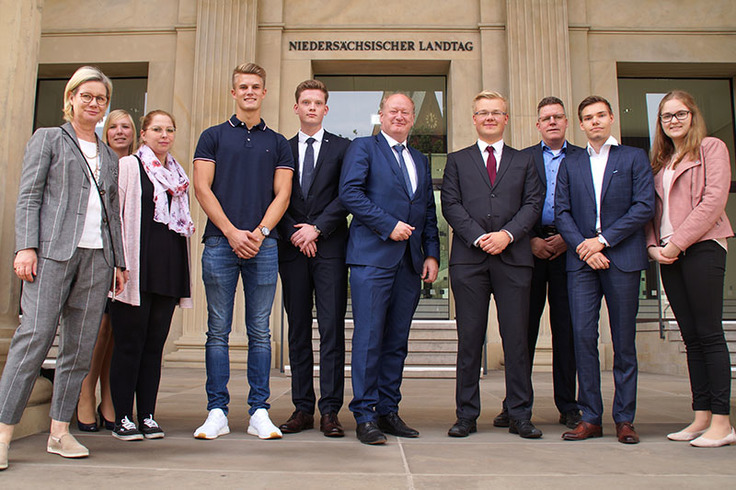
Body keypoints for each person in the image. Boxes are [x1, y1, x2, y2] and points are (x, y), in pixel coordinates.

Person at [0, 66, 126, 470]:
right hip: (52, 253)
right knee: (34, 336)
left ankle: (59, 432)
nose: (94, 104)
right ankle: (2, 433)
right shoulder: (49, 139)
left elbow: (113, 213)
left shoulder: (108, 154)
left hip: (97, 258)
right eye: (86, 96)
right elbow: (29, 197)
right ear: (70, 98)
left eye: (101, 99)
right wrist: (26, 247)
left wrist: (119, 261)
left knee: (79, 346)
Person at [192, 63, 293, 440]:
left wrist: (261, 232)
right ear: (233, 93)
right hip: (220, 243)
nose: (249, 92)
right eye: (243, 87)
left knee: (260, 332)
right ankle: (216, 410)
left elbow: (282, 193)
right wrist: (233, 232)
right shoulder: (213, 136)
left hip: (264, 246)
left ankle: (259, 412)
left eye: (255, 87)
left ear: (264, 93)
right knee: (217, 331)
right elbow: (203, 189)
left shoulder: (278, 142)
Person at [441, 90, 543, 439]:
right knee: (469, 339)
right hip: (469, 260)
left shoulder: (525, 161)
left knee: (516, 340)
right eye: (482, 112)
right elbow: (450, 204)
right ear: (473, 118)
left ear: (506, 119)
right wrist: (479, 237)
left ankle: (519, 414)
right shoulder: (456, 160)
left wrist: (507, 235)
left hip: (513, 259)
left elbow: (533, 204)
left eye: (495, 112)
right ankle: (466, 415)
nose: (489, 117)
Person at [340, 92, 440, 445]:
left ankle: (387, 410)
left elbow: (427, 207)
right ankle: (364, 415)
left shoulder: (419, 158)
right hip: (372, 258)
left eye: (405, 112)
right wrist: (388, 225)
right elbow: (350, 194)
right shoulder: (363, 149)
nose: (399, 116)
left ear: (413, 119)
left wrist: (431, 253)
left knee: (397, 341)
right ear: (380, 115)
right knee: (369, 339)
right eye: (393, 111)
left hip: (410, 263)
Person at [556, 95, 654, 444]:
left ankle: (625, 419)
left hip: (622, 258)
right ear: (580, 124)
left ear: (611, 119)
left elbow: (644, 207)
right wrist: (585, 247)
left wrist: (604, 241)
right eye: (588, 117)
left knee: (624, 341)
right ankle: (591, 417)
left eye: (600, 115)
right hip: (582, 262)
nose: (594, 122)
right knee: (583, 338)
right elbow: (561, 211)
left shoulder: (633, 157)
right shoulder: (572, 162)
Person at [645, 90, 735, 448]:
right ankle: (701, 416)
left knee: (709, 333)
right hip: (669, 254)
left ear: (693, 115)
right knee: (690, 336)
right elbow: (652, 212)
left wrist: (678, 242)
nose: (673, 121)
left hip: (702, 248)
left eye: (680, 114)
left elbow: (714, 199)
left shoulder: (711, 148)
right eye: (666, 116)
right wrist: (654, 246)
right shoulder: (662, 161)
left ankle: (723, 422)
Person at [492, 97, 582, 430]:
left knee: (567, 329)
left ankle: (569, 405)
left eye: (558, 116)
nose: (552, 122)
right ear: (537, 124)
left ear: (567, 122)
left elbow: (588, 203)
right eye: (546, 118)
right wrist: (528, 238)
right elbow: (513, 204)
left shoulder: (583, 158)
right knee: (521, 330)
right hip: (527, 248)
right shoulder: (522, 158)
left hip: (570, 250)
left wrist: (568, 238)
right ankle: (514, 404)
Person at [109, 110, 194, 441]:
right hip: (134, 270)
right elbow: (114, 218)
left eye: (169, 129)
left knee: (154, 347)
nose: (164, 135)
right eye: (157, 129)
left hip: (168, 269)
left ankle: (146, 414)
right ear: (142, 134)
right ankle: (122, 418)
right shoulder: (129, 166)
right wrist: (117, 262)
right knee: (129, 344)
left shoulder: (177, 173)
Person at [277, 80, 350, 437]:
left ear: (325, 109)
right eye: (305, 102)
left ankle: (330, 411)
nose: (311, 107)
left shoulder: (343, 148)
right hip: (292, 250)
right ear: (296, 107)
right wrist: (296, 231)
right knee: (298, 329)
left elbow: (348, 195)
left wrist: (316, 229)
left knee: (332, 330)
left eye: (317, 103)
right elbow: (273, 195)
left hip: (331, 248)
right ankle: (303, 408)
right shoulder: (281, 148)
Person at [76, 109, 138, 433]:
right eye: (113, 126)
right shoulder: (96, 162)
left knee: (118, 330)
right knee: (98, 328)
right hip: (96, 254)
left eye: (126, 126)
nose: (119, 131)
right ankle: (85, 393)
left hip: (128, 259)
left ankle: (109, 397)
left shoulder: (138, 165)